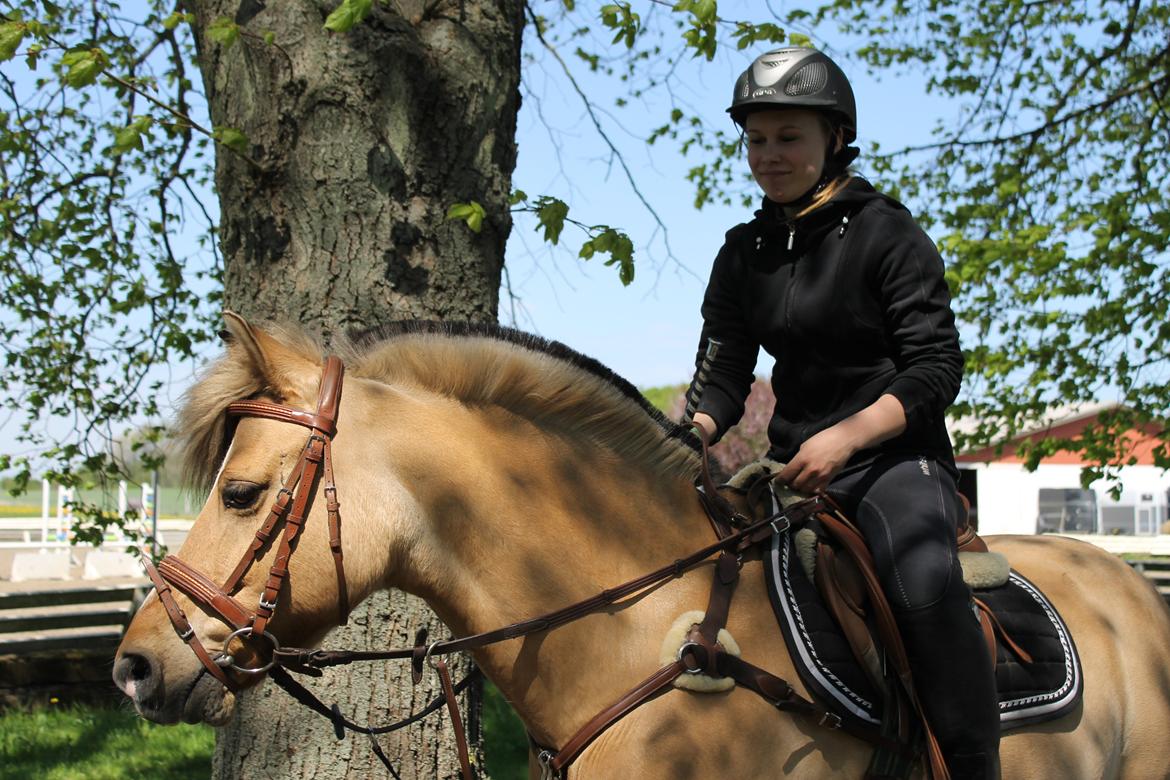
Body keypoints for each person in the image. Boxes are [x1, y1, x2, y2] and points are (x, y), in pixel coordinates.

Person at [687, 47, 1000, 779]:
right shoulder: (742, 253)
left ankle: (970, 762)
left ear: (835, 138)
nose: (768, 155)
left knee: (921, 582)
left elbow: (936, 367)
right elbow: (725, 372)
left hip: (894, 464)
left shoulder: (889, 233)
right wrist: (688, 435)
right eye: (756, 139)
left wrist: (847, 437)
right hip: (791, 468)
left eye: (787, 137)